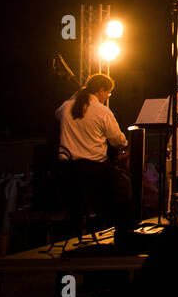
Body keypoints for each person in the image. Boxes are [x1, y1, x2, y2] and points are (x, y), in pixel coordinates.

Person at [56, 73, 134, 239]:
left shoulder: (65, 107)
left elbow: (57, 114)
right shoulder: (101, 110)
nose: (107, 97)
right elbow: (117, 139)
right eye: (108, 93)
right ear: (100, 90)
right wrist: (125, 145)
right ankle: (123, 233)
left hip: (68, 169)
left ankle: (76, 228)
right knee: (124, 186)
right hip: (93, 168)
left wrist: (78, 95)